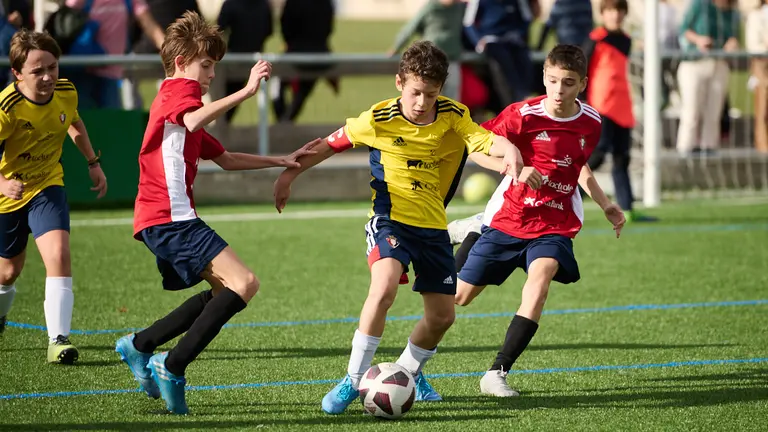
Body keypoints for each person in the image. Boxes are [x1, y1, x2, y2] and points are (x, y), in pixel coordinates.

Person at [273, 40, 522, 415]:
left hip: (433, 228)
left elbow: (483, 140)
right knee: (385, 285)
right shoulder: (380, 118)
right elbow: (330, 144)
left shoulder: (453, 114)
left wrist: (511, 151)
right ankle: (352, 380)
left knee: (442, 316)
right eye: (415, 92)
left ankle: (406, 372)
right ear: (399, 83)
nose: (422, 102)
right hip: (390, 220)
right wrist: (288, 177)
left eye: (431, 94)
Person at [113, 12, 316, 415]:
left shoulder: (179, 102)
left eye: (213, 68)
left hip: (168, 219)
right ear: (181, 60)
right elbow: (192, 118)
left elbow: (224, 158)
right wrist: (245, 91)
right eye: (205, 65)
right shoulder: (177, 93)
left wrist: (281, 159)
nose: (209, 75)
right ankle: (172, 366)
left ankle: (140, 345)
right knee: (244, 283)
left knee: (229, 289)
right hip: (171, 218)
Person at [449, 44, 626, 397]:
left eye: (568, 83)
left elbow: (577, 165)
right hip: (510, 216)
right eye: (553, 80)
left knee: (541, 279)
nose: (559, 90)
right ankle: (474, 229)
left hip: (554, 222)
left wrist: (605, 204)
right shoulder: (521, 115)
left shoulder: (591, 122)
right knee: (458, 297)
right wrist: (512, 165)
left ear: (583, 84)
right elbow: (477, 146)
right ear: (544, 77)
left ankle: (496, 373)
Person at [0, 30, 108, 365]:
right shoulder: (7, 107)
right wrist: (2, 183)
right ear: (18, 73)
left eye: (53, 67)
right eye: (37, 70)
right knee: (7, 272)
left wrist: (93, 163)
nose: (48, 76)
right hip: (9, 196)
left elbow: (75, 122)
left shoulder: (66, 91)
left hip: (48, 184)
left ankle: (58, 340)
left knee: (59, 252)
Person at [583, 0, 655, 222]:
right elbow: (581, 72)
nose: (615, 15)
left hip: (622, 107)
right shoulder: (595, 40)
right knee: (596, 155)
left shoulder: (625, 41)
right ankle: (562, 195)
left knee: (622, 158)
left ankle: (628, 209)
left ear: (624, 14)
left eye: (619, 11)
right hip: (600, 106)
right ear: (603, 14)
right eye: (610, 11)